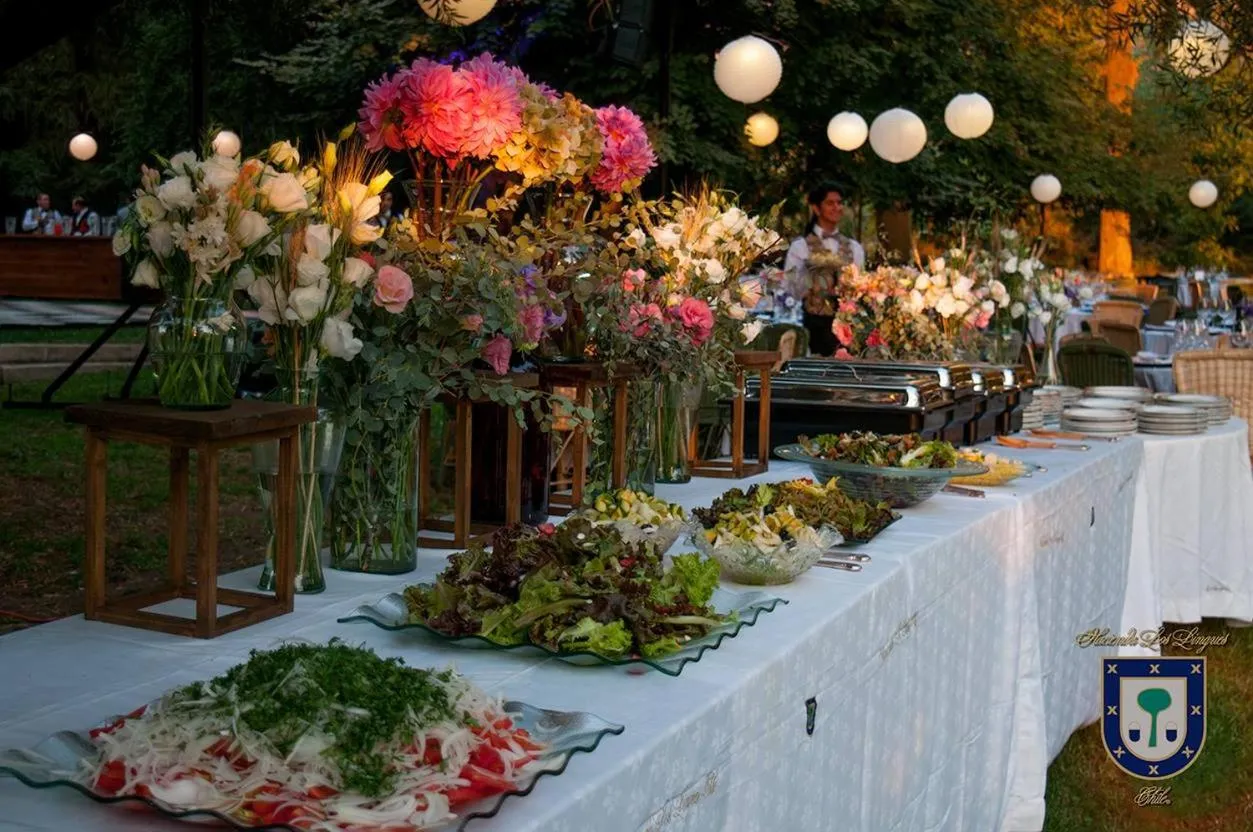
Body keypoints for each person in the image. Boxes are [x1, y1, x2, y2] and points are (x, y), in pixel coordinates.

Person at [783, 183, 866, 356]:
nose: (837, 207)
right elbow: (789, 286)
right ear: (816, 208)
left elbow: (861, 284)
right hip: (815, 324)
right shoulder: (800, 246)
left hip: (848, 325)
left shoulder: (854, 247)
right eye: (830, 203)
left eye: (839, 203)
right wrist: (812, 286)